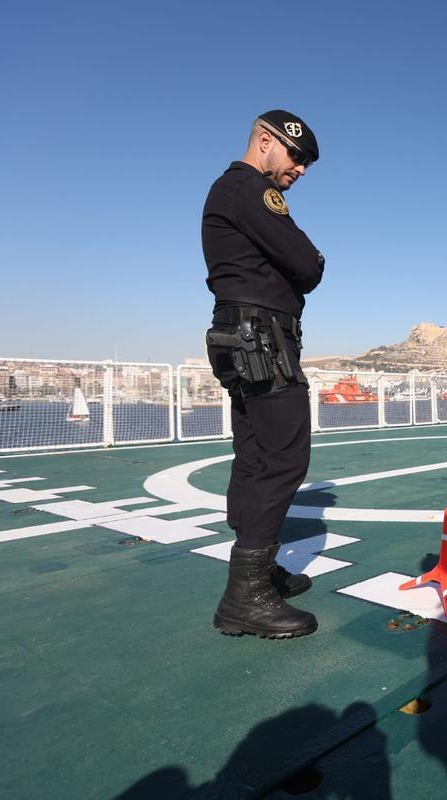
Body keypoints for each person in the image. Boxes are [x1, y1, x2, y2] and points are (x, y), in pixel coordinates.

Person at [201, 110, 324, 639]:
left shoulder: (230, 192)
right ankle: (245, 595)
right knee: (285, 454)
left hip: (239, 335)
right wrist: (306, 257)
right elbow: (307, 264)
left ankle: (256, 567)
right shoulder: (250, 190)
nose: (299, 170)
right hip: (261, 338)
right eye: (296, 156)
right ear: (266, 140)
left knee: (252, 455)